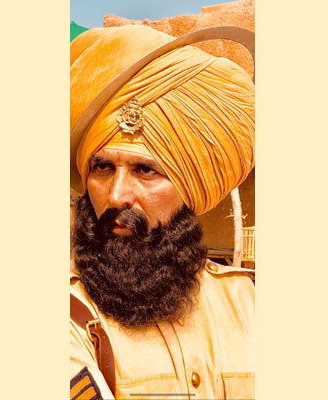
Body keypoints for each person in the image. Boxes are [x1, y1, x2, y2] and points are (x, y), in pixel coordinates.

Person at [69, 25, 255, 400]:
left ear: (191, 187)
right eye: (102, 167)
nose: (117, 196)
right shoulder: (69, 315)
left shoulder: (248, 301)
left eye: (145, 171)